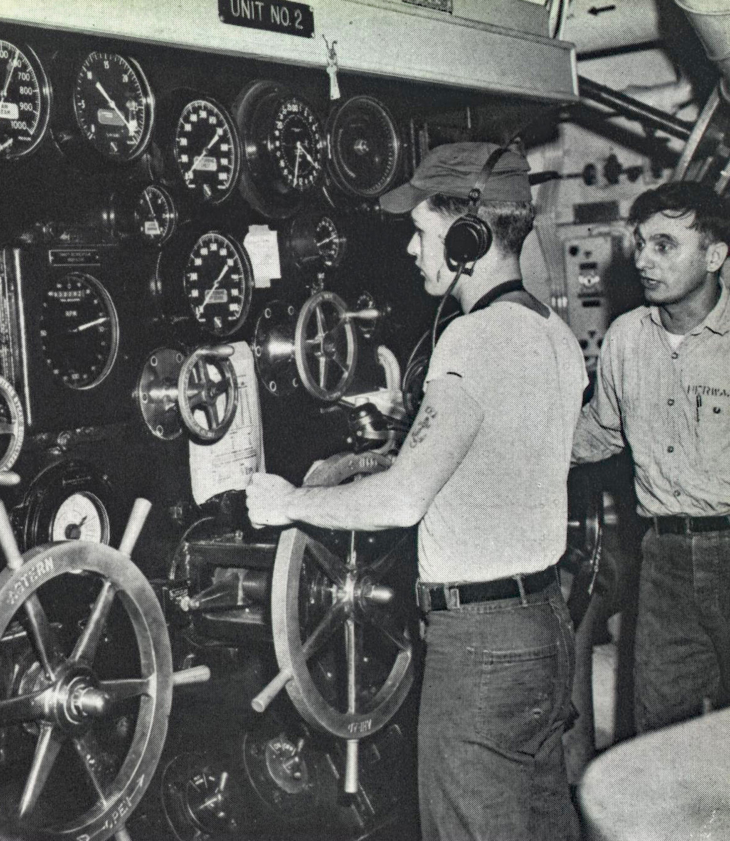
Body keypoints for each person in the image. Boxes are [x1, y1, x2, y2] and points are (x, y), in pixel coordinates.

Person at [246, 141, 586, 841]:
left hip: (482, 650)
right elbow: (489, 466)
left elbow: (404, 501)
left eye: (423, 231)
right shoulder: (554, 334)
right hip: (545, 626)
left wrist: (289, 502)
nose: (410, 248)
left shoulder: (472, 339)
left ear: (470, 236)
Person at [572, 181, 730, 734]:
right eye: (640, 243)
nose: (642, 260)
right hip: (661, 556)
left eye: (664, 245)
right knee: (659, 740)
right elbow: (597, 433)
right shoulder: (625, 340)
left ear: (714, 256)